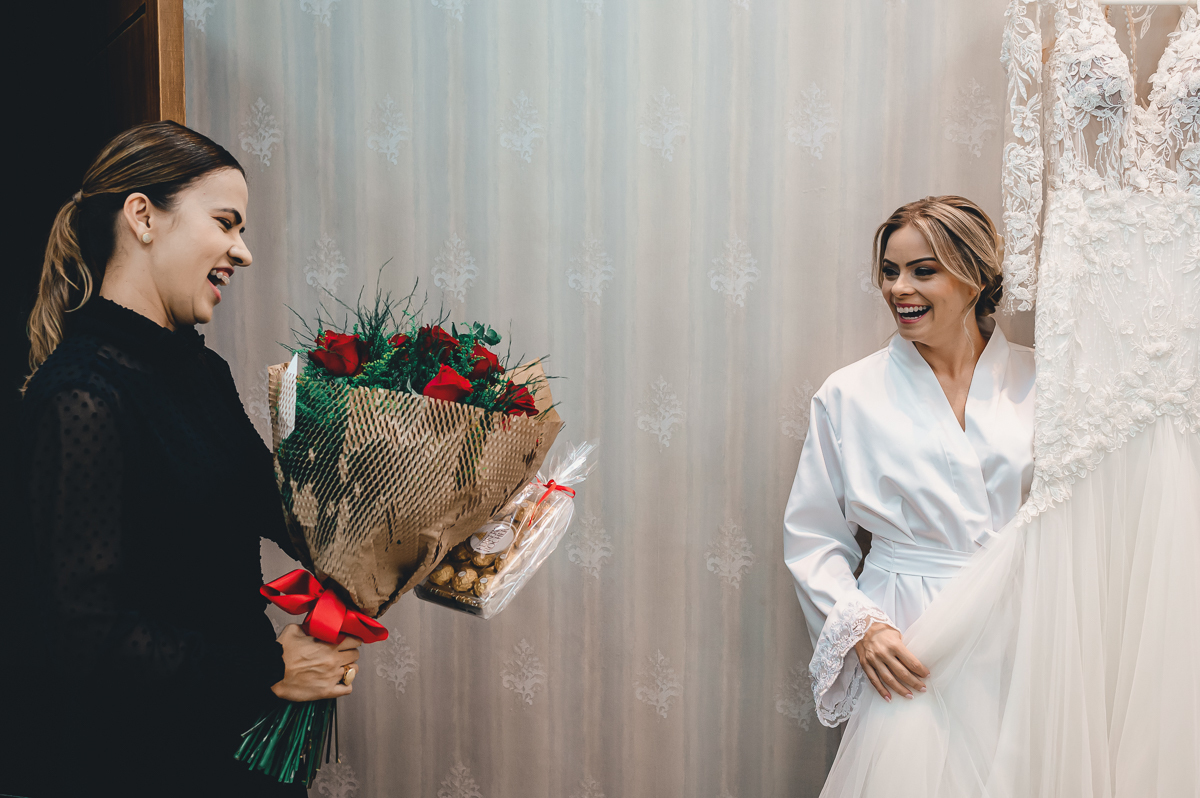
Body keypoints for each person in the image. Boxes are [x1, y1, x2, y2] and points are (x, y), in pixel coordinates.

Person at [12, 121, 361, 798]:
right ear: (143, 216)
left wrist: (444, 515)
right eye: (226, 223)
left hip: (240, 741)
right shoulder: (82, 393)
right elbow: (87, 637)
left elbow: (284, 511)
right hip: (148, 762)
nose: (244, 251)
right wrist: (268, 667)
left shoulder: (200, 371)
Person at [783, 196, 1035, 727]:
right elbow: (813, 536)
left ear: (976, 278)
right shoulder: (849, 394)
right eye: (890, 271)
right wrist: (863, 627)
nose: (898, 288)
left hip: (1025, 626)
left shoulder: (1044, 383)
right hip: (907, 642)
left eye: (923, 270)